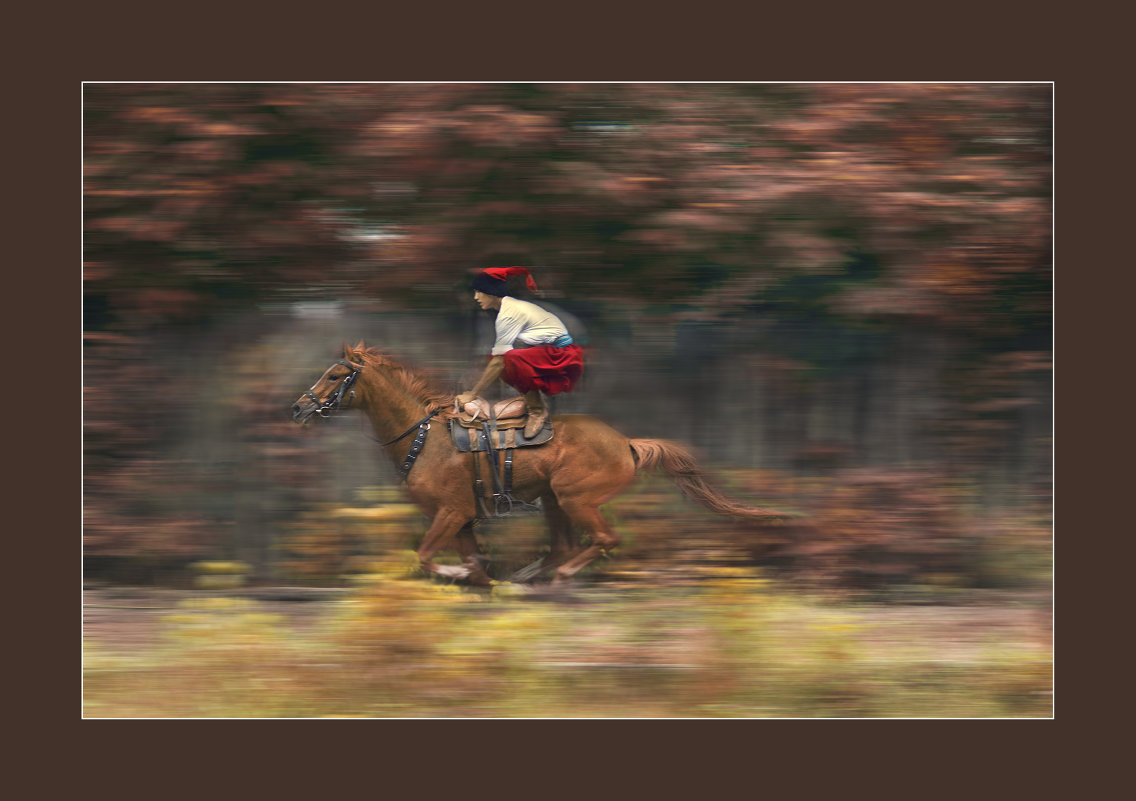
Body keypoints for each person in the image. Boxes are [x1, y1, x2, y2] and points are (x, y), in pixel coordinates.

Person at [455, 267, 584, 437]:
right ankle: (525, 400)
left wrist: (472, 394)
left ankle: (537, 411)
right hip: (550, 352)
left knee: (509, 359)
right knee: (498, 359)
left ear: (492, 293)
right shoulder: (508, 308)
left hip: (562, 356)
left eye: (479, 292)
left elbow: (499, 361)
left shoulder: (508, 314)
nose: (476, 298)